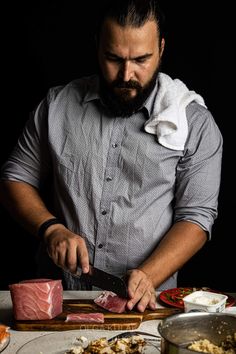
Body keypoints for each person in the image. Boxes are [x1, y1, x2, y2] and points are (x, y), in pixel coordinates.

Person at [0, 0, 222, 312]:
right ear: (97, 46)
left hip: (145, 305)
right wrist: (50, 228)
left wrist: (149, 275)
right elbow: (15, 178)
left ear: (161, 48)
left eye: (141, 60)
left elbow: (196, 217)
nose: (126, 75)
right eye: (113, 58)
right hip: (58, 301)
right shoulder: (56, 105)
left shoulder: (195, 124)